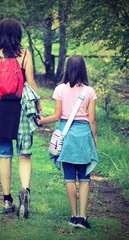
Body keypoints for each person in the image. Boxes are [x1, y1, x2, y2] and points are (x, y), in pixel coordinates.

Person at [0, 18, 42, 219]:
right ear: (18, 35)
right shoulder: (24, 54)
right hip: (21, 108)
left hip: (0, 108)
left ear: (0, 33)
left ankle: (7, 200)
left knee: (5, 154)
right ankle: (25, 191)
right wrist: (38, 107)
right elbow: (31, 82)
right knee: (24, 153)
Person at [37, 55, 98, 229]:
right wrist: (94, 139)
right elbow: (92, 120)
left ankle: (73, 216)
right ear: (83, 69)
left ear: (67, 69)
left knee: (69, 177)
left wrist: (41, 121)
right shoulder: (90, 91)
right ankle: (83, 217)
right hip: (84, 135)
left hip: (67, 136)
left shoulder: (60, 89)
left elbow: (57, 116)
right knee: (85, 178)